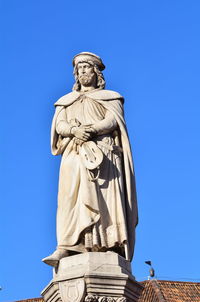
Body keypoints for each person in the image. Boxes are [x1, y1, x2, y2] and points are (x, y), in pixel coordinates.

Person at [42, 52, 138, 267]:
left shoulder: (111, 98)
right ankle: (66, 246)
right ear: (76, 74)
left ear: (96, 72)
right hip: (74, 154)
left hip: (103, 155)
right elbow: (60, 125)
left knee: (103, 201)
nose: (83, 71)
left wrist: (92, 129)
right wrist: (75, 130)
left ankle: (107, 243)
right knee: (69, 199)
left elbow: (113, 120)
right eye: (80, 69)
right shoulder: (66, 102)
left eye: (87, 68)